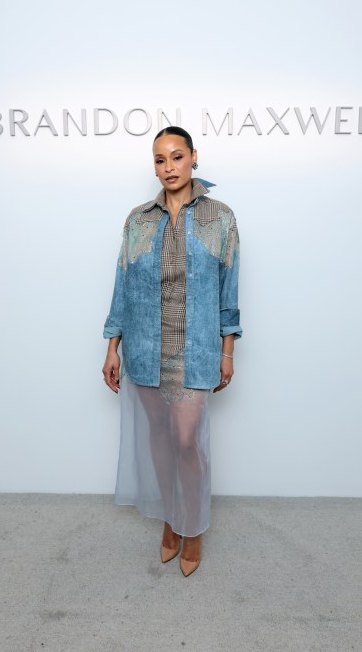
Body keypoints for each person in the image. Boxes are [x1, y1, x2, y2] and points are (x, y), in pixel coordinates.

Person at [102, 126, 242, 577]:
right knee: (160, 439)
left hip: (196, 350)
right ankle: (170, 518)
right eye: (160, 160)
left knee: (187, 442)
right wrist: (113, 346)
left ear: (193, 157)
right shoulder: (138, 220)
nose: (169, 167)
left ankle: (193, 526)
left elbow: (228, 291)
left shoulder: (220, 218)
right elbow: (122, 285)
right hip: (145, 347)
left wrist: (227, 352)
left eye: (177, 157)